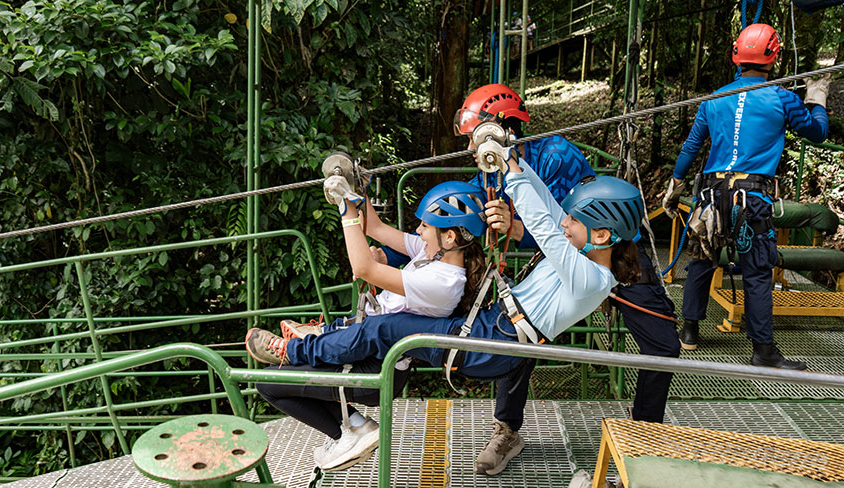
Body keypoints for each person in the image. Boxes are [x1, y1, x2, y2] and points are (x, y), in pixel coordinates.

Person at [246, 146, 646, 474]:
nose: (565, 223)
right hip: (493, 329)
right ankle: (317, 346)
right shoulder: (588, 257)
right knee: (390, 326)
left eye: (574, 221)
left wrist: (512, 175)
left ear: (602, 235)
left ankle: (297, 351)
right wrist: (512, 160)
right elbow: (551, 212)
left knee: (391, 329)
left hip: (495, 343)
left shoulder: (591, 280)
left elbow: (544, 225)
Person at [455, 84, 679, 473]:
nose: (473, 151)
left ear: (502, 127)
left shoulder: (555, 154)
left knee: (663, 347)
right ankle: (507, 429)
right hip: (559, 260)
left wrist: (517, 229)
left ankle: (644, 433)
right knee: (520, 328)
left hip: (612, 253)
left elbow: (573, 223)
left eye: (477, 139)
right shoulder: (488, 168)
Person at [251, 179, 488, 471]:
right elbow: (375, 228)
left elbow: (363, 268)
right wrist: (355, 186)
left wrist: (346, 211)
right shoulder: (431, 254)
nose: (418, 231)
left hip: (373, 365)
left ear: (449, 237)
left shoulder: (444, 281)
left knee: (268, 384)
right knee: (273, 381)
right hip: (361, 346)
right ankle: (356, 425)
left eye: (425, 226)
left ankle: (340, 427)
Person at [662, 23, 829, 369]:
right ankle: (763, 350)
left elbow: (692, 146)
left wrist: (674, 186)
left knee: (703, 258)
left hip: (711, 194)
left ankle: (690, 331)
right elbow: (818, 132)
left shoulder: (715, 98)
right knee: (756, 270)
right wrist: (817, 98)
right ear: (774, 56)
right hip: (751, 197)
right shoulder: (782, 98)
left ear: (736, 55)